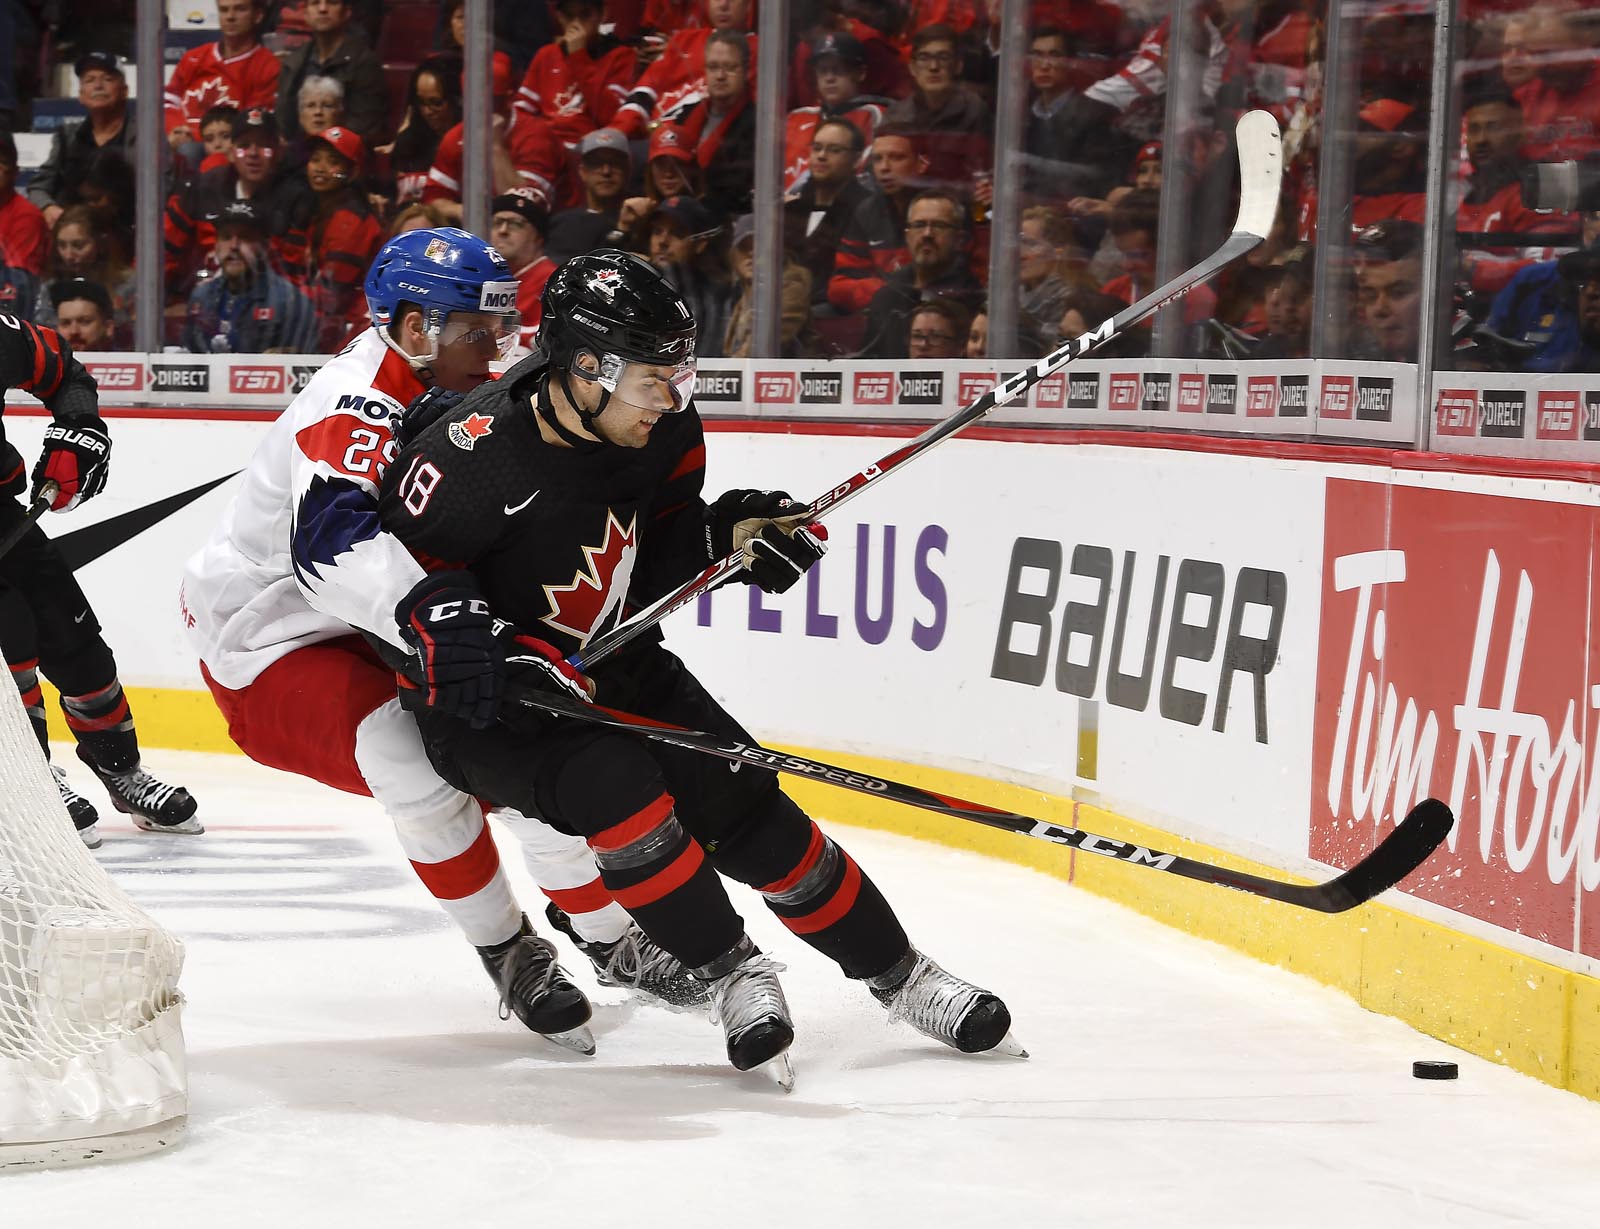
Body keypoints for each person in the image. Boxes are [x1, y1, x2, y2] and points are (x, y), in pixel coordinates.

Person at [374, 249, 1022, 1084]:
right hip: (494, 708)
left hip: (616, 662)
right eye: (653, 379)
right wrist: (487, 648)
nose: (672, 399)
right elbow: (400, 597)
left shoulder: (664, 429)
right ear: (583, 367)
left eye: (680, 376)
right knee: (620, 791)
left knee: (748, 809)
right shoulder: (465, 459)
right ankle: (731, 974)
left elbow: (654, 550)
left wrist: (728, 539)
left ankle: (900, 973)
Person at [181, 228, 703, 1050]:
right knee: (409, 756)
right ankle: (510, 950)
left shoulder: (457, 384)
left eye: (503, 325)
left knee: (521, 735)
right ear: (416, 327)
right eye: (476, 329)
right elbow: (330, 548)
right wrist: (438, 613)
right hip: (276, 639)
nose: (497, 346)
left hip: (376, 622)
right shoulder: (354, 401)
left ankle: (609, 937)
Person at [0, 319, 199, 847]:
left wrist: (79, 427)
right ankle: (26, 782)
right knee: (9, 649)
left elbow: (64, 370)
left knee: (75, 641)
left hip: (4, 520)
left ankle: (121, 772)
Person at [860, 189, 984, 358]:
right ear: (907, 236)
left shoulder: (974, 299)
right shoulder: (887, 297)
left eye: (939, 226)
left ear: (959, 239)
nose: (927, 234)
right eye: (919, 225)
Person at [184, 201, 317, 354]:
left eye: (245, 237)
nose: (233, 246)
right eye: (226, 237)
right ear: (216, 246)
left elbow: (308, 367)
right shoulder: (201, 298)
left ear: (265, 246)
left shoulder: (290, 302)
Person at [162, 0, 279, 169]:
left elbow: (252, 122)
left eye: (240, 9)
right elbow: (169, 99)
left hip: (225, 146)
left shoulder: (267, 65)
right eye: (224, 10)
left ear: (258, 15)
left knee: (190, 151)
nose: (230, 17)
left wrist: (195, 136)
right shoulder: (194, 57)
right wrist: (175, 130)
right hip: (180, 138)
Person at [27, 53, 138, 230]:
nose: (98, 86)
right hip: (71, 233)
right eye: (89, 80)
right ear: (81, 95)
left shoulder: (144, 137)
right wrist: (48, 207)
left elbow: (161, 191)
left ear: (124, 90)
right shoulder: (66, 136)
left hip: (125, 231)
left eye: (107, 79)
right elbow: (38, 187)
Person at [275, 0, 387, 145]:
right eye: (315, 3)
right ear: (306, 14)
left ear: (347, 12)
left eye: (332, 3)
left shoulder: (364, 62)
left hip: (340, 156)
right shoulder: (293, 63)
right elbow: (283, 123)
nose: (322, 9)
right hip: (297, 153)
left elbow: (364, 125)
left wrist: (321, 147)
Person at [546, 128, 632, 264]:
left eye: (615, 163)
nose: (606, 171)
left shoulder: (639, 223)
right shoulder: (561, 223)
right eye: (596, 163)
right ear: (582, 171)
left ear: (627, 169)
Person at [488, 189, 555, 351]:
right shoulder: (487, 277)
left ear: (538, 237)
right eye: (497, 222)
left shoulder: (554, 281)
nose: (502, 230)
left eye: (516, 224)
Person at [48, 278, 116, 352]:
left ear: (108, 327)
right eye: (65, 323)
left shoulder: (125, 360)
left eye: (84, 322)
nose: (74, 331)